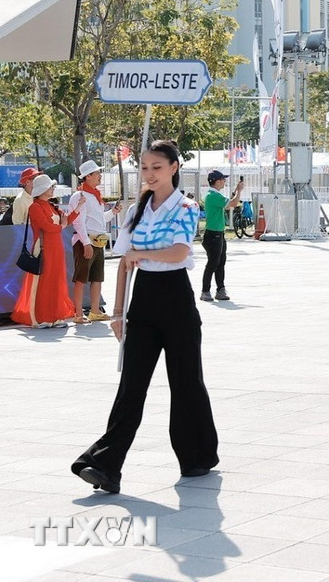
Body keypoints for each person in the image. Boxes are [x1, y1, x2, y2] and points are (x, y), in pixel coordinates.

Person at [71, 140, 218, 494]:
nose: (149, 174)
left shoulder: (186, 206)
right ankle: (104, 464)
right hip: (143, 302)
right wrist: (118, 313)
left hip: (177, 300)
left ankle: (197, 455)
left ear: (174, 167)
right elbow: (123, 263)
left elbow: (181, 251)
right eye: (145, 168)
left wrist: (140, 252)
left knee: (186, 382)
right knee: (131, 385)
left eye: (156, 167)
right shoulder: (136, 211)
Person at [11, 175, 82, 329]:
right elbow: (47, 227)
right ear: (42, 189)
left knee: (56, 280)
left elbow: (65, 221)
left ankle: (55, 316)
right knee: (44, 281)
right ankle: (41, 317)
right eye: (50, 187)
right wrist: (62, 226)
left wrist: (77, 209)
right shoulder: (35, 207)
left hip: (56, 247)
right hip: (43, 247)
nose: (52, 189)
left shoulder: (51, 206)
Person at [68, 160, 124, 324]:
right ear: (88, 176)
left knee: (97, 277)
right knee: (81, 278)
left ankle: (94, 310)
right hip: (85, 241)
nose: (100, 176)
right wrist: (85, 242)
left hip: (97, 241)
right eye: (97, 173)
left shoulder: (95, 196)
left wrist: (112, 212)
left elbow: (99, 219)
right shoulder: (80, 196)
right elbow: (79, 221)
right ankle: (78, 313)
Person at [200, 170, 243, 302]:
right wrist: (239, 191)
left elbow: (228, 202)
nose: (224, 181)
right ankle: (206, 291)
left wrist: (235, 191)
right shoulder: (213, 195)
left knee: (220, 262)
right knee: (213, 263)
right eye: (223, 179)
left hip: (218, 234)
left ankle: (220, 289)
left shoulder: (214, 195)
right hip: (213, 235)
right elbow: (233, 204)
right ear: (217, 181)